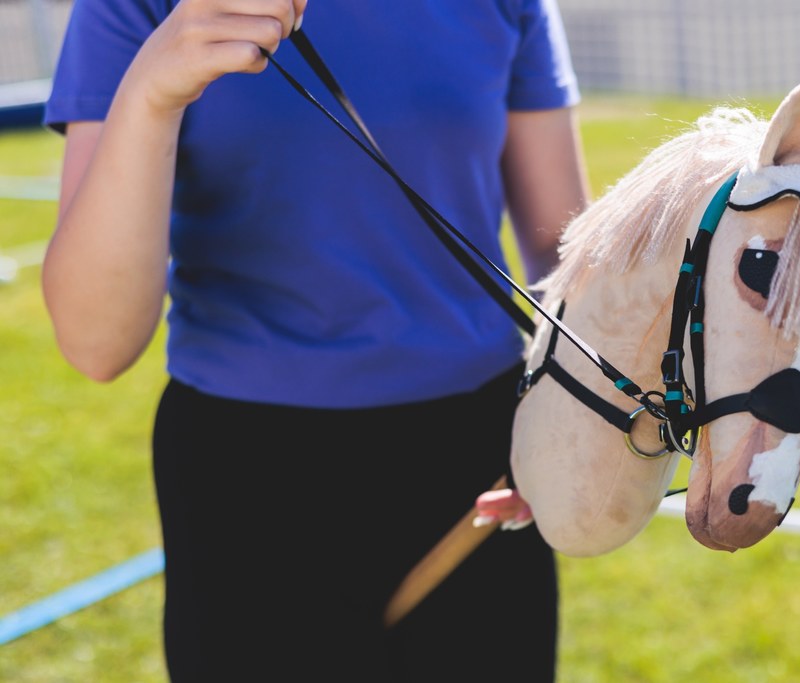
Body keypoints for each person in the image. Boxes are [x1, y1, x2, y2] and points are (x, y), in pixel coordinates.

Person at [42, 0, 590, 680]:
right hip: (248, 483)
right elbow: (97, 344)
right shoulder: (131, 8)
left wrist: (565, 434)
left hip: (478, 461)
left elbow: (568, 267)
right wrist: (151, 91)